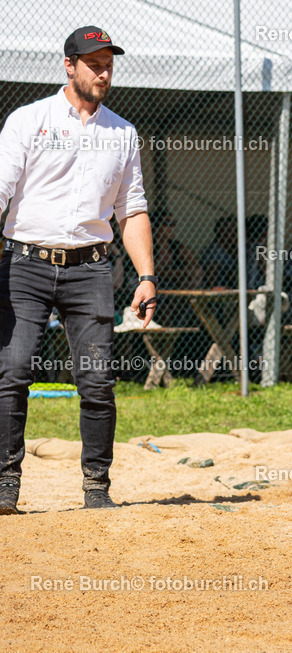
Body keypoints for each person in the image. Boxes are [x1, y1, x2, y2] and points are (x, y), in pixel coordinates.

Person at [0, 26, 156, 513]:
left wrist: (146, 276)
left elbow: (131, 210)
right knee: (12, 371)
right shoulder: (29, 120)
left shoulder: (123, 133)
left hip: (90, 268)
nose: (104, 71)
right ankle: (5, 486)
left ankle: (96, 488)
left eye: (109, 62)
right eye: (94, 62)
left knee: (96, 379)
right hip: (24, 262)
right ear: (69, 65)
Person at [152, 209, 201, 289]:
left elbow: (196, 267)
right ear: (155, 226)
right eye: (167, 224)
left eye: (173, 223)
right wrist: (184, 272)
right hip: (154, 285)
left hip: (173, 284)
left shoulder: (176, 246)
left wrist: (180, 272)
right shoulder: (149, 247)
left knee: (194, 277)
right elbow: (156, 273)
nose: (172, 227)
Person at [201, 215, 237, 288]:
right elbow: (211, 278)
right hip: (220, 287)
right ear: (223, 232)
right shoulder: (214, 252)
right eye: (234, 230)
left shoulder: (234, 248)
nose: (237, 234)